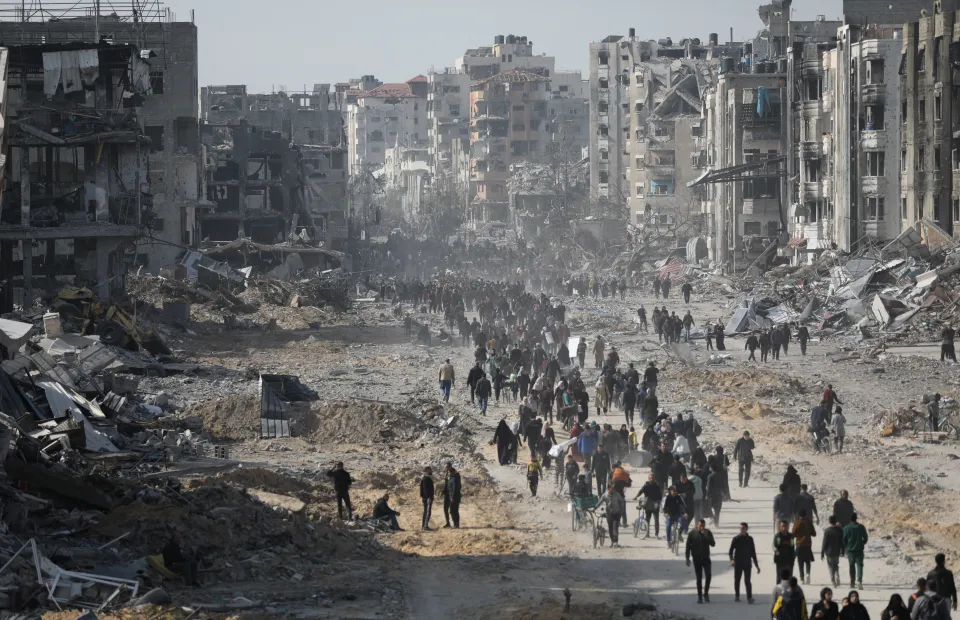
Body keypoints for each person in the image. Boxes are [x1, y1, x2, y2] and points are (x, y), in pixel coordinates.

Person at [686, 518, 716, 604]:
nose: (702, 528)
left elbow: (713, 544)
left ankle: (705, 593)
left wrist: (706, 536)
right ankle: (699, 596)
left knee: (708, 576)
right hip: (697, 559)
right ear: (697, 525)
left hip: (706, 558)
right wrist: (687, 558)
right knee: (699, 578)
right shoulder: (692, 534)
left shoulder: (708, 532)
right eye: (700, 526)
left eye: (703, 526)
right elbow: (688, 546)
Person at [730, 522, 760, 603]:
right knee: (737, 580)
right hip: (738, 563)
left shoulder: (750, 539)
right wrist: (732, 559)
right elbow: (730, 551)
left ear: (746, 529)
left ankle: (749, 598)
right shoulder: (736, 539)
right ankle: (737, 595)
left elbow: (753, 553)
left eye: (743, 528)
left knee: (747, 581)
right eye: (740, 528)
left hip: (747, 563)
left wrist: (757, 565)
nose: (741, 529)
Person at [842, 513, 868, 589]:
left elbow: (844, 540)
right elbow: (865, 538)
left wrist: (846, 547)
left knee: (851, 566)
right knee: (860, 565)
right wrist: (862, 543)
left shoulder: (846, 528)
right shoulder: (861, 527)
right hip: (859, 549)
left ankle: (852, 582)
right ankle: (859, 581)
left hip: (850, 550)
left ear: (850, 519)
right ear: (856, 518)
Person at [793, 509, 817, 585]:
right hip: (807, 545)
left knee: (800, 562)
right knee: (807, 561)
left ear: (799, 515)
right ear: (805, 515)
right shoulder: (809, 522)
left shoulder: (796, 523)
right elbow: (814, 534)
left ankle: (802, 578)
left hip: (799, 545)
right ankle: (808, 574)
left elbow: (793, 534)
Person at [598, 483, 626, 548]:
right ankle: (612, 541)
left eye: (614, 488)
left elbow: (622, 501)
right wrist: (594, 508)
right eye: (612, 488)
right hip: (609, 514)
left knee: (615, 528)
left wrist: (622, 510)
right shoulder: (605, 495)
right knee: (610, 529)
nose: (613, 490)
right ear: (608, 489)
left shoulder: (617, 494)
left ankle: (616, 542)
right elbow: (599, 502)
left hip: (617, 513)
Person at [636, 474, 663, 538]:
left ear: (654, 478)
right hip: (648, 504)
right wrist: (636, 496)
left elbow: (660, 495)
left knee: (656, 520)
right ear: (648, 478)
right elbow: (641, 491)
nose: (651, 479)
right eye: (650, 478)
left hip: (655, 504)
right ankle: (647, 533)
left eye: (652, 478)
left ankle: (656, 534)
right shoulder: (646, 485)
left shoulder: (657, 485)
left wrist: (659, 501)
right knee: (647, 519)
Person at [822, 515, 845, 588]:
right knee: (836, 565)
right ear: (835, 521)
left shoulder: (827, 531)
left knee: (830, 566)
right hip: (837, 551)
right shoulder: (840, 530)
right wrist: (843, 551)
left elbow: (824, 542)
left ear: (829, 521)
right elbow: (842, 542)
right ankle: (837, 575)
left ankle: (833, 580)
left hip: (829, 552)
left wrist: (822, 552)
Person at [706, 461, 726, 526]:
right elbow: (724, 485)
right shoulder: (721, 475)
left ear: (711, 468)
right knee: (717, 510)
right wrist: (724, 493)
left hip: (712, 495)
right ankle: (716, 523)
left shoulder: (710, 476)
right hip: (719, 494)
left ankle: (713, 518)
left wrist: (707, 495)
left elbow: (708, 487)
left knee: (708, 508)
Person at [442, 463, 462, 529]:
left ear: (450, 467)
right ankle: (448, 522)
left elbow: (457, 487)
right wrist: (444, 491)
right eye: (446, 467)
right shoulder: (447, 474)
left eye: (448, 467)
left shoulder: (456, 475)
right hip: (447, 494)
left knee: (453, 510)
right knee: (445, 508)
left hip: (452, 495)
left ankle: (456, 524)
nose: (447, 468)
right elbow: (446, 484)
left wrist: (453, 496)